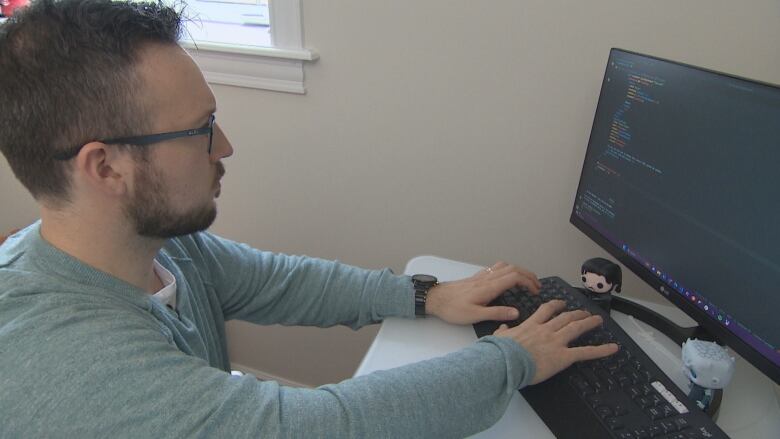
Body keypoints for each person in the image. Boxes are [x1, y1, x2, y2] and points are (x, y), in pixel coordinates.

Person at [0, 0, 618, 437]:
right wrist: (514, 360)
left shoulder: (149, 243)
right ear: (105, 169)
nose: (225, 148)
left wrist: (425, 294)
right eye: (200, 130)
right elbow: (315, 428)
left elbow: (276, 281)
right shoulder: (69, 363)